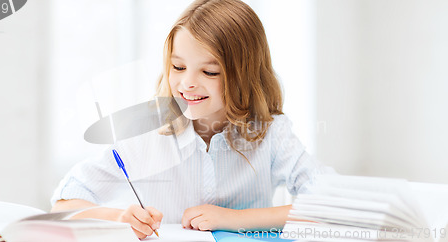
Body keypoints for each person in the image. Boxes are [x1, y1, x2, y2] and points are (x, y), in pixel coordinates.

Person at [51, 0, 334, 239]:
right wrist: (118, 217)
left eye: (209, 72)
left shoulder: (271, 133)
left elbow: (331, 205)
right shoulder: (146, 133)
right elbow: (63, 205)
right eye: (178, 67)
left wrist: (230, 218)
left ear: (245, 77)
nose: (187, 83)